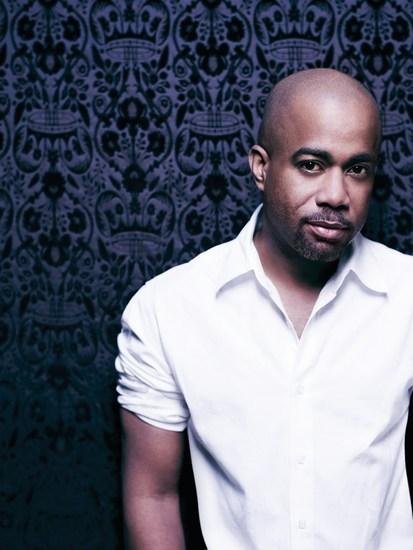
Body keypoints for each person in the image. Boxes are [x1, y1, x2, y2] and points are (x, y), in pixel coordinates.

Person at [115, 68, 413, 549]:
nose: (336, 195)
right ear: (260, 167)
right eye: (311, 164)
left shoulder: (406, 296)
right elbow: (153, 497)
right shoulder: (168, 310)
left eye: (357, 169)